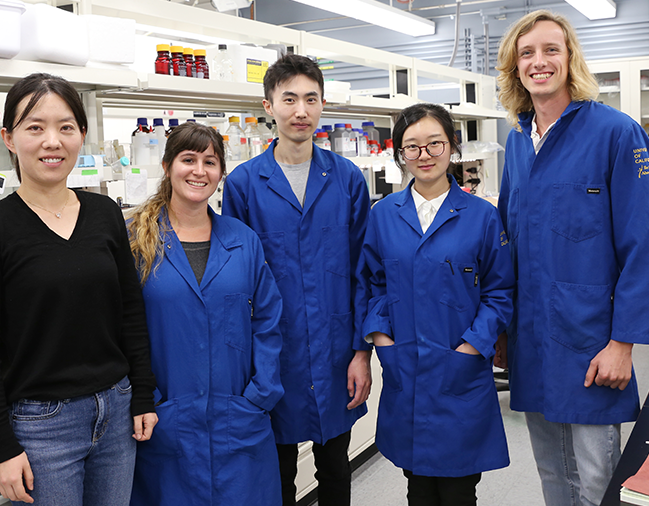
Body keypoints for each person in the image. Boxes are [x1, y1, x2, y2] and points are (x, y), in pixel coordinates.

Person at [0, 73, 157, 505]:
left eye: (66, 127)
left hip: (117, 410)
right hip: (41, 425)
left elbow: (129, 312)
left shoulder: (104, 214)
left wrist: (142, 395)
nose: (52, 141)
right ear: (9, 138)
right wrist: (4, 447)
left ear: (81, 135)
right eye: (35, 127)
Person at [496, 10, 649, 506]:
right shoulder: (517, 142)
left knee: (598, 482)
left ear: (570, 59)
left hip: (591, 342)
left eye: (550, 50)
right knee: (553, 479)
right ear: (514, 66)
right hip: (533, 340)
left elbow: (642, 244)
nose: (538, 62)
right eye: (527, 53)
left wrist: (623, 343)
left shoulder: (616, 133)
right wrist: (503, 331)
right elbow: (507, 240)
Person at [222, 54, 372, 506]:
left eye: (310, 99)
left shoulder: (346, 178)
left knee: (334, 467)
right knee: (276, 471)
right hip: (272, 352)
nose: (300, 111)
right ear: (268, 106)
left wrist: (361, 352)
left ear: (323, 104)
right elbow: (237, 281)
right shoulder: (244, 183)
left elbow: (365, 271)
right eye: (289, 99)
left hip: (334, 348)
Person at [358, 103, 514, 506]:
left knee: (460, 490)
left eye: (434, 144)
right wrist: (382, 339)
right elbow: (372, 283)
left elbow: (500, 292)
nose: (423, 155)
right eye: (412, 147)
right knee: (418, 486)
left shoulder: (481, 216)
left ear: (452, 148)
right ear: (400, 154)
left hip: (460, 370)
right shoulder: (383, 215)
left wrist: (471, 346)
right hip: (405, 368)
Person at [127, 122, 284, 506]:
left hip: (239, 417)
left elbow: (268, 320)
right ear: (167, 166)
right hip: (166, 417)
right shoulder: (135, 240)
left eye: (210, 162)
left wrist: (259, 394)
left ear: (221, 173)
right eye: (188, 159)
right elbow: (121, 327)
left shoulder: (242, 239)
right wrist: (150, 398)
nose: (199, 171)